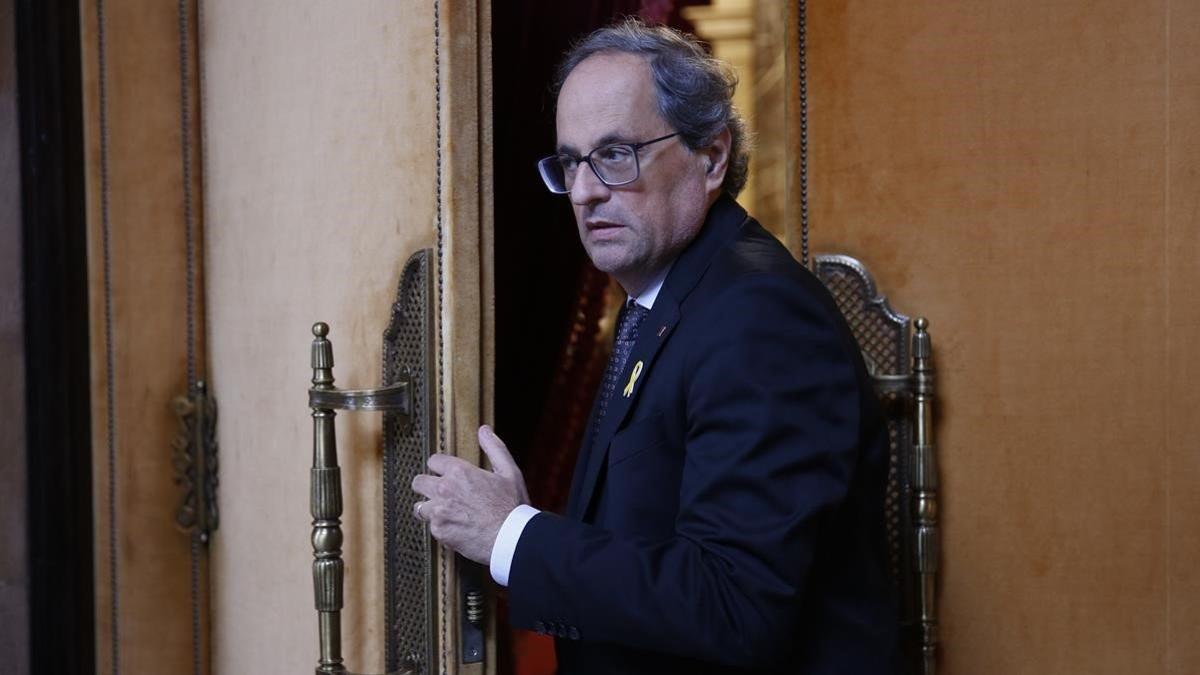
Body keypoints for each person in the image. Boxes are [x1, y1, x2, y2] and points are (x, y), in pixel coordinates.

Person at [411, 19, 900, 674]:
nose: (583, 192)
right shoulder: (668, 299)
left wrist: (513, 535)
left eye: (615, 155)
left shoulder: (759, 315)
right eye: (571, 163)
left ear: (712, 156)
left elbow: (734, 606)